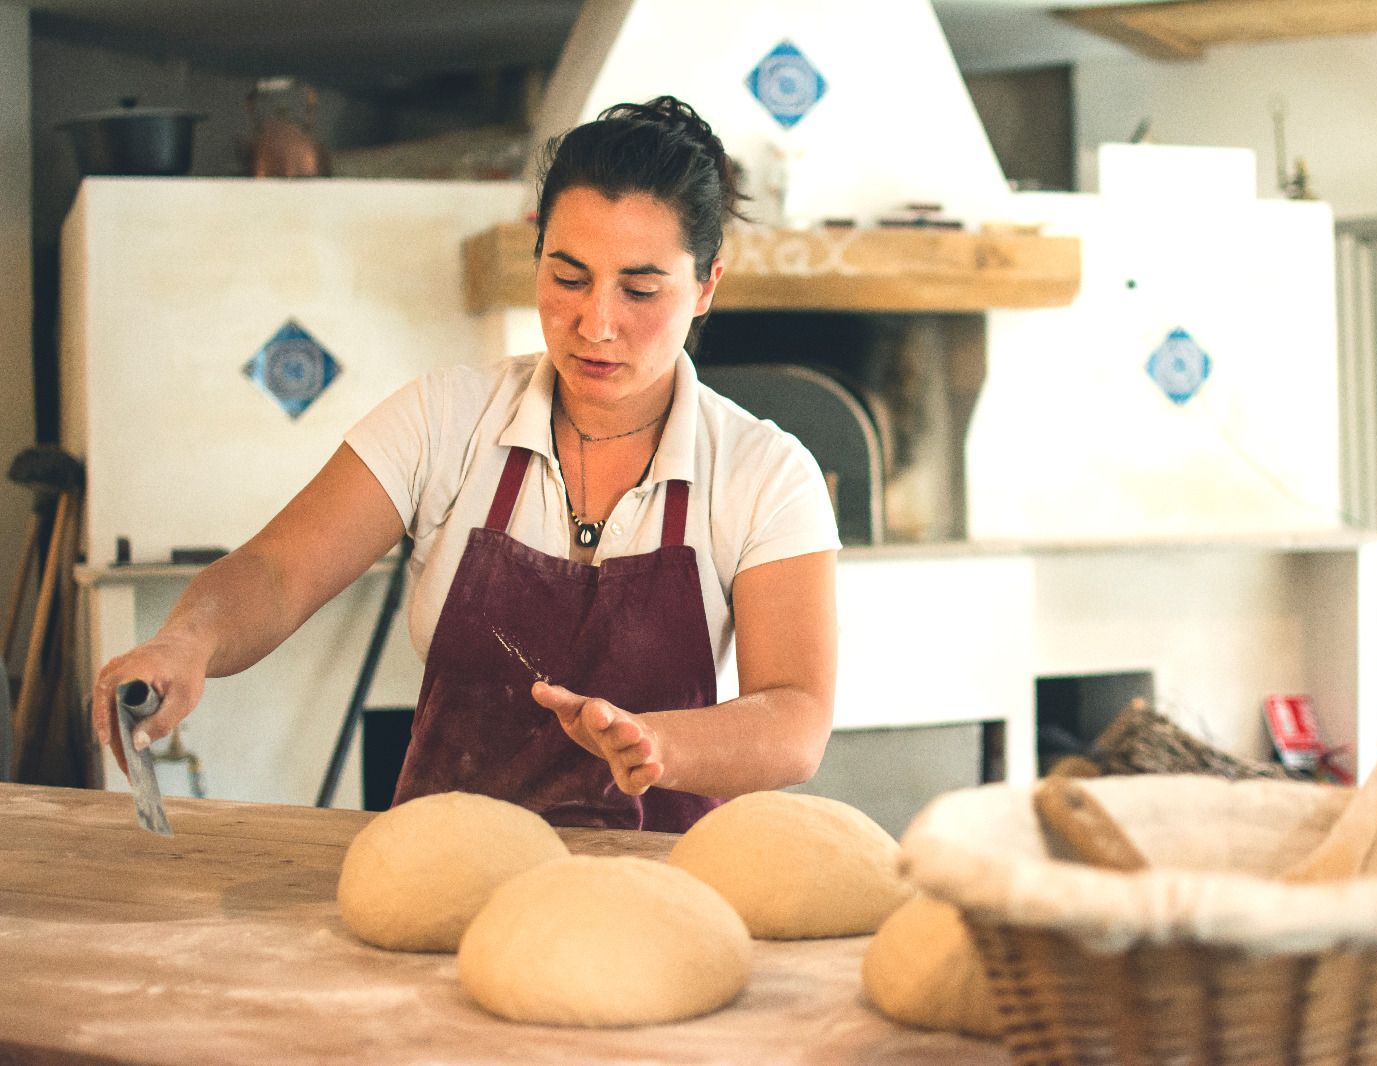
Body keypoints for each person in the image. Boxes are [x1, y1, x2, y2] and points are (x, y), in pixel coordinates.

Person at [92, 97, 840, 832]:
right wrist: (184, 642)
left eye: (640, 289)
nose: (595, 323)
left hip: (661, 890)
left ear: (707, 285)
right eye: (568, 277)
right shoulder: (444, 420)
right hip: (443, 871)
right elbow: (277, 572)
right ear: (537, 254)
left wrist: (660, 744)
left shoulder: (763, 472)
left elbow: (796, 715)